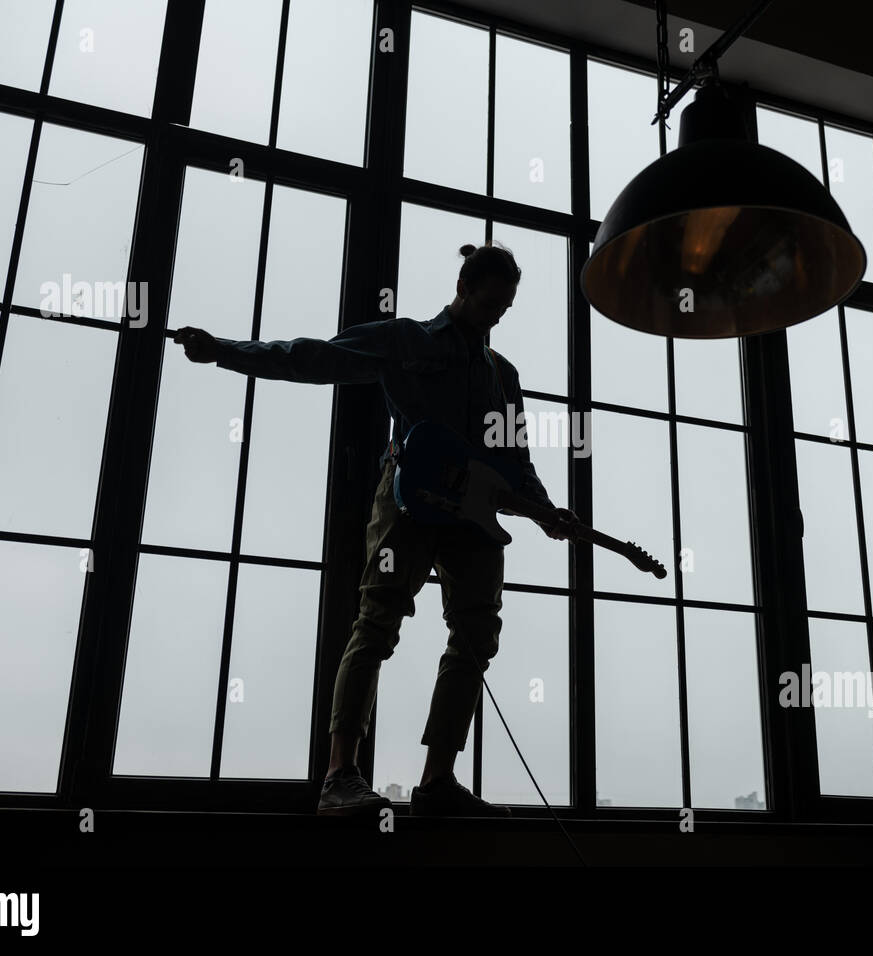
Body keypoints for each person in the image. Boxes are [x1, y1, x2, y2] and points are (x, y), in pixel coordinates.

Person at [174, 241, 577, 818]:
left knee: (476, 638)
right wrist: (225, 352)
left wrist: (543, 510)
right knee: (377, 622)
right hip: (407, 502)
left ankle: (437, 782)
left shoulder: (503, 376)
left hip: (474, 523)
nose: (496, 317)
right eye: (490, 302)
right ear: (463, 288)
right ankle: (340, 776)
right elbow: (312, 357)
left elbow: (516, 460)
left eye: (506, 309)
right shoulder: (405, 340)